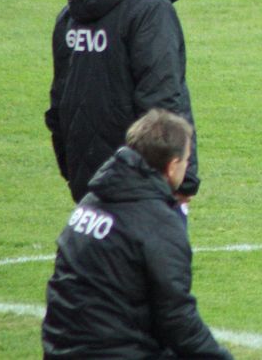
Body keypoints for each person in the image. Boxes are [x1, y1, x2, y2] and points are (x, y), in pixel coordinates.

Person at [45, 0, 200, 212]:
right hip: (141, 186)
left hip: (89, 181)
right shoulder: (150, 8)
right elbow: (162, 100)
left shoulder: (72, 11)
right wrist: (183, 178)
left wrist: (73, 170)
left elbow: (59, 102)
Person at [42, 109, 233, 359]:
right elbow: (177, 319)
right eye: (186, 160)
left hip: (59, 346)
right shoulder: (158, 223)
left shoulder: (91, 202)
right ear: (172, 166)